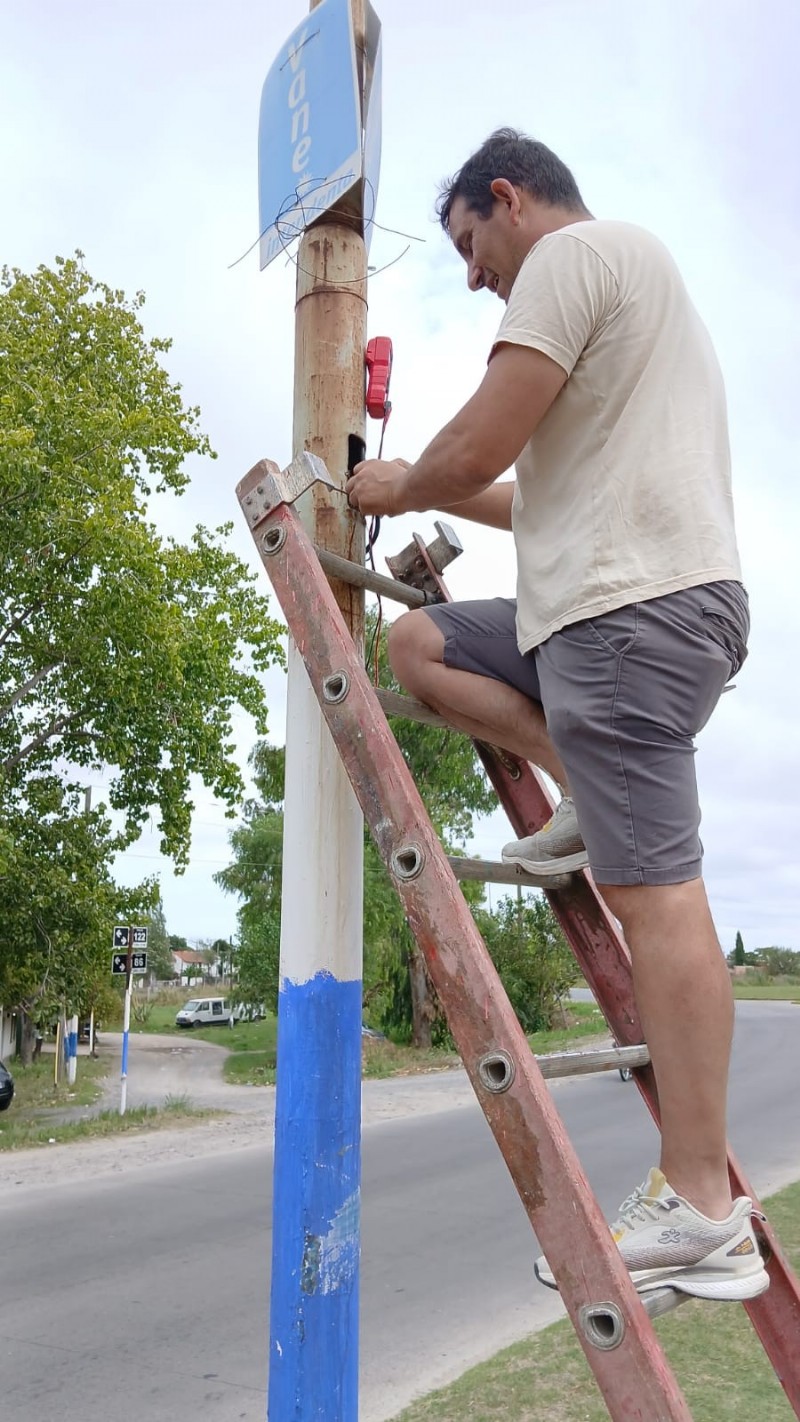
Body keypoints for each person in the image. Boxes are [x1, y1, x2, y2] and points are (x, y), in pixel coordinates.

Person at [345, 128, 768, 1302]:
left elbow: (476, 443)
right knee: (420, 644)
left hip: (630, 610)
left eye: (472, 248)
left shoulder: (576, 261)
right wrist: (424, 488)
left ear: (508, 198)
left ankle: (697, 1206)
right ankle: (571, 783)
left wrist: (386, 481)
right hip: (588, 606)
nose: (475, 275)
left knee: (654, 893)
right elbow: (523, 487)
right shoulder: (625, 299)